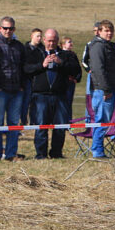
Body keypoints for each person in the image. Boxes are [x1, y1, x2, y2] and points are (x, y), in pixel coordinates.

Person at [24, 28, 80, 159]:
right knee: (41, 126)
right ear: (44, 40)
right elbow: (26, 69)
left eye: (54, 41)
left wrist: (61, 63)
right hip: (40, 95)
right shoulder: (36, 53)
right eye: (49, 41)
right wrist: (41, 65)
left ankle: (56, 153)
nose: (51, 44)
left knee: (60, 126)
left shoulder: (66, 55)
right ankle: (41, 154)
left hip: (60, 96)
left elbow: (76, 71)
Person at [0, 17, 25, 161]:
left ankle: (10, 154)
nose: (8, 31)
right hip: (0, 91)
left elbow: (23, 68)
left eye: (10, 28)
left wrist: (21, 86)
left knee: (14, 124)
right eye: (5, 28)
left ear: (14, 29)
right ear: (0, 29)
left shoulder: (19, 46)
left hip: (16, 91)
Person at [88, 20, 115, 158]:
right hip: (103, 91)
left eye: (111, 31)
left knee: (105, 120)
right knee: (102, 121)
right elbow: (98, 70)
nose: (109, 33)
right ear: (99, 31)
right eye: (106, 30)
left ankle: (98, 149)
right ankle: (97, 151)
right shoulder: (98, 47)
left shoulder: (110, 47)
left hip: (112, 89)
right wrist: (106, 90)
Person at [61, 37, 82, 120]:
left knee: (69, 102)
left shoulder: (73, 54)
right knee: (63, 103)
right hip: (64, 83)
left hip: (72, 82)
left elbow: (78, 68)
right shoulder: (61, 54)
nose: (71, 44)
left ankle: (69, 122)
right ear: (63, 45)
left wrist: (77, 78)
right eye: (69, 42)